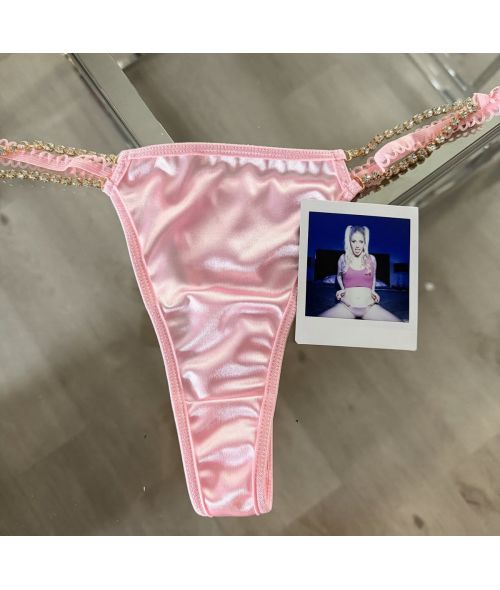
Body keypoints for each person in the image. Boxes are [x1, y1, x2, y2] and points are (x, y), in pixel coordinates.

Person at [320, 225, 400, 321]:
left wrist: (373, 291)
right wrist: (342, 289)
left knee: (399, 324)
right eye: (354, 241)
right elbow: (339, 276)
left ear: (365, 243)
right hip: (346, 306)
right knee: (317, 323)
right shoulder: (343, 258)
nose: (357, 246)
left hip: (369, 307)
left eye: (361, 241)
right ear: (349, 242)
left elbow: (374, 277)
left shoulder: (372, 259)